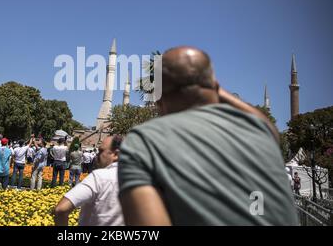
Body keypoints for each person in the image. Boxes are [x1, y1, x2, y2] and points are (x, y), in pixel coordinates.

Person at [118, 46, 299, 226]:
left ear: (158, 98)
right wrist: (214, 87)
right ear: (217, 87)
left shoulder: (143, 142)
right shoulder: (260, 132)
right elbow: (266, 124)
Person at [54, 135, 125, 226]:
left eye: (101, 151)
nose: (97, 156)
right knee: (76, 180)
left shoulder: (99, 177)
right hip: (78, 168)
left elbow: (61, 209)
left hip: (72, 167)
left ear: (116, 155)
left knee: (70, 180)